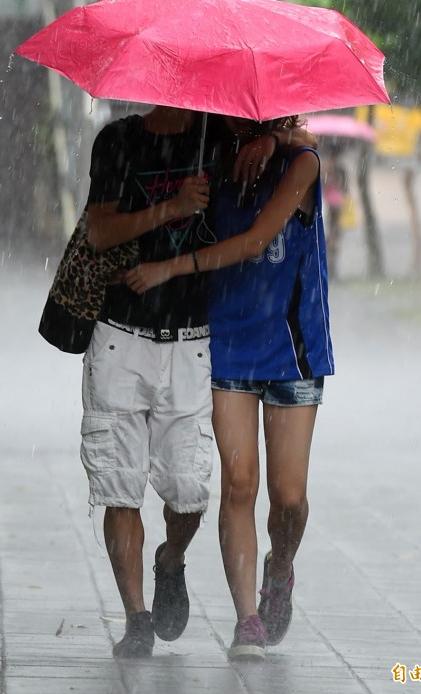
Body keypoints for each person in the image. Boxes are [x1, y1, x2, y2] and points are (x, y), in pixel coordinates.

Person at [81, 105, 288, 659]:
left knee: (191, 491)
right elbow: (99, 230)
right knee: (118, 485)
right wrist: (170, 208)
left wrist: (268, 141)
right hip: (120, 336)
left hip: (192, 339)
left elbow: (298, 140)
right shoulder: (118, 140)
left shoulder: (218, 137)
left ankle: (170, 561)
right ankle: (136, 618)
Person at [125, 115, 333, 661]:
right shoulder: (209, 158)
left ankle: (280, 568)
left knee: (288, 498)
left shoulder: (302, 162)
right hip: (227, 343)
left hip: (292, 347)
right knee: (238, 485)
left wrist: (174, 267)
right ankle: (247, 621)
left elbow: (258, 239)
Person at [322, 148, 349, 280]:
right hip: (335, 204)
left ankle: (332, 264)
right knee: (335, 233)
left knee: (333, 233)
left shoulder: (327, 169)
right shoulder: (339, 169)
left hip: (332, 204)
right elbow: (346, 188)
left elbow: (322, 186)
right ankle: (332, 264)